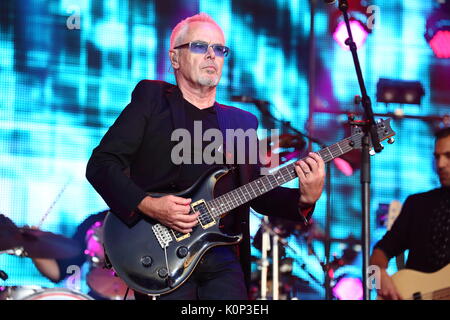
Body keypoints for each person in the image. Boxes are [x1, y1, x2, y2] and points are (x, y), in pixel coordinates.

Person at [85, 13, 325, 300]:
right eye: (200, 46)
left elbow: (256, 192)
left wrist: (305, 199)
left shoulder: (241, 122)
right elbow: (101, 164)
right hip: (159, 253)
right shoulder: (152, 100)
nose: (212, 55)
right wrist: (149, 204)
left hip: (222, 255)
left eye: (220, 49)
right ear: (175, 59)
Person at [370, 126, 450, 300]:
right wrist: (377, 278)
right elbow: (378, 255)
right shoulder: (418, 204)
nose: (441, 164)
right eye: (437, 157)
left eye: (448, 156)